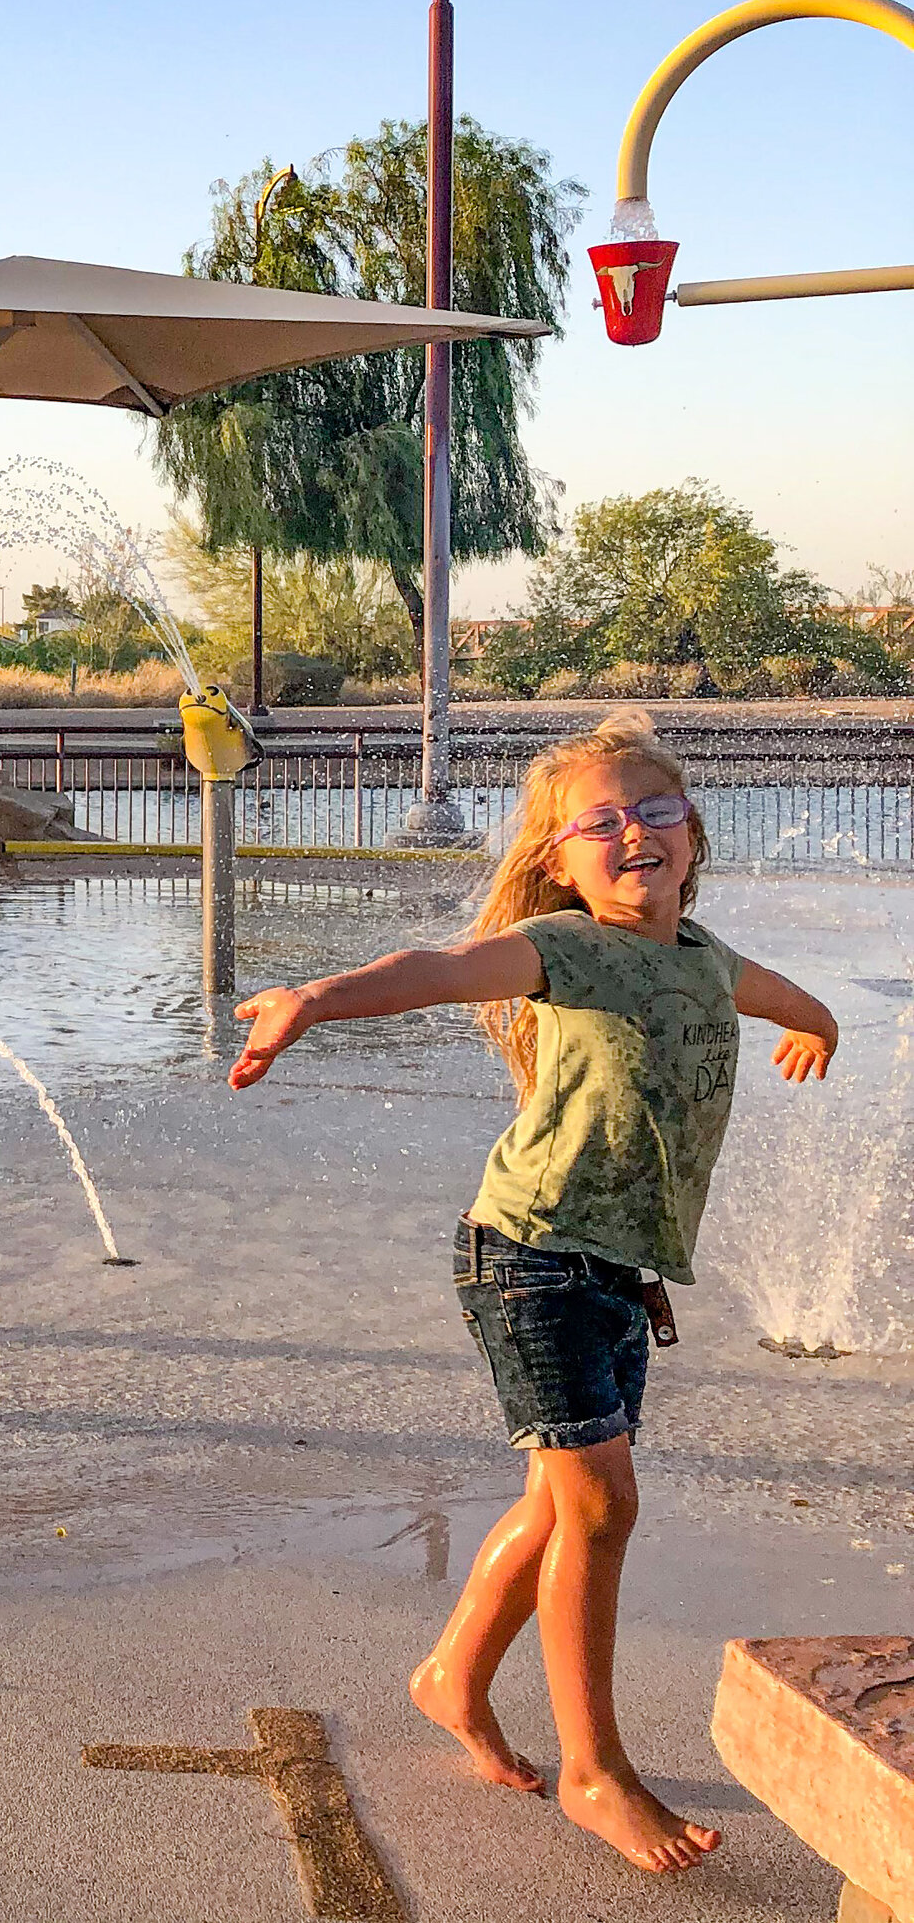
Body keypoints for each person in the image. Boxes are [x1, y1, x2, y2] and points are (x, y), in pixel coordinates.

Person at [229, 711, 836, 1876]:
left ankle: (452, 1675)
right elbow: (438, 969)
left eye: (652, 810)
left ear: (691, 832)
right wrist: (315, 995)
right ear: (559, 857)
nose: (631, 832)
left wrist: (818, 1023)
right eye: (597, 821)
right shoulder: (564, 945)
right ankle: (595, 1770)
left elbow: (781, 996)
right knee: (602, 1504)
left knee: (560, 1503)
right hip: (531, 1254)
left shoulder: (703, 957)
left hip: (613, 1272)